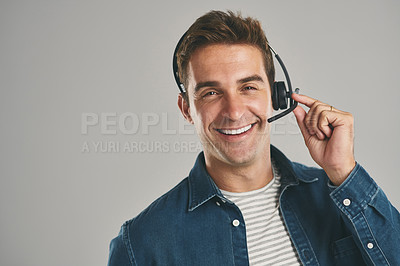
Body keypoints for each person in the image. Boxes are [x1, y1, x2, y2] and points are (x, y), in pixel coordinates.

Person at [108, 10, 400, 265]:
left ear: (276, 95)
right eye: (211, 92)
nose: (234, 112)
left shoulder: (338, 196)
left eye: (248, 87)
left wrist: (344, 172)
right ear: (187, 109)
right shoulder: (141, 243)